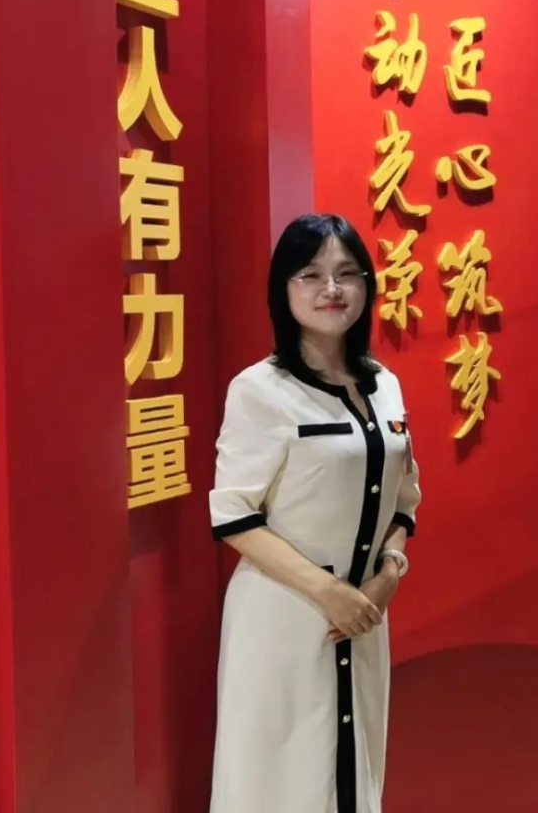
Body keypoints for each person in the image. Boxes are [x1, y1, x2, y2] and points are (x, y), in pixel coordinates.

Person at [209, 214, 421, 813]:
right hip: (285, 615)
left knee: (355, 772)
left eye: (347, 274)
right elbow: (234, 516)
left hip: (364, 615)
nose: (332, 288)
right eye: (311, 274)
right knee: (280, 781)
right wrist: (329, 592)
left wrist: (387, 575)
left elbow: (404, 498)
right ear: (284, 288)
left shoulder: (384, 385)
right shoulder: (260, 389)